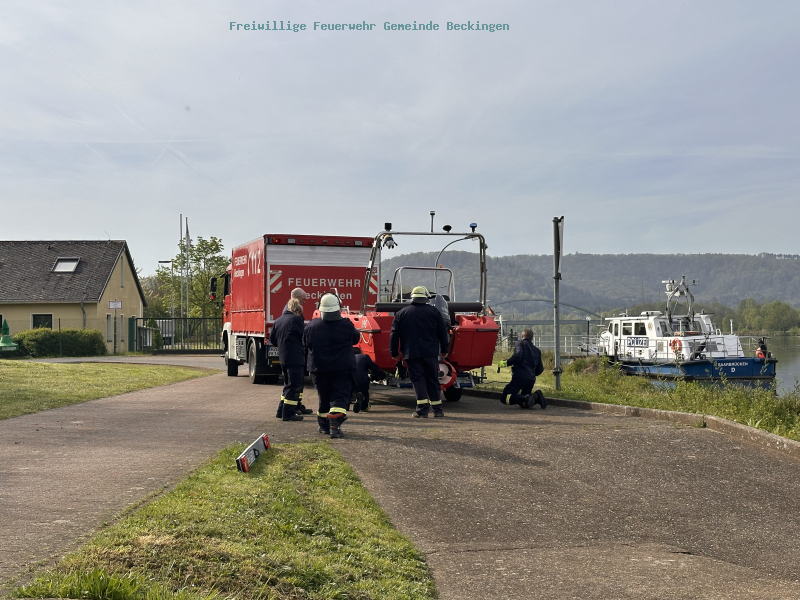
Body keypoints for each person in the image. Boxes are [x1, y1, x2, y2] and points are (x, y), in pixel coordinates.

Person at [304, 293, 360, 438]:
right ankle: (335, 424)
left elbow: (305, 343)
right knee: (340, 396)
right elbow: (356, 339)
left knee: (323, 397)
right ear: (338, 308)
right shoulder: (346, 325)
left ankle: (324, 426)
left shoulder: (312, 326)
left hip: (318, 369)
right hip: (342, 368)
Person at [390, 286, 449, 418]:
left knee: (418, 380)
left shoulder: (402, 313)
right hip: (430, 353)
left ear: (412, 297)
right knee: (433, 379)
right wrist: (444, 350)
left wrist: (394, 352)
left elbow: (394, 334)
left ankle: (422, 410)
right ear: (426, 298)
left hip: (411, 353)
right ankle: (437, 410)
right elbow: (442, 332)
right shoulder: (434, 312)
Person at [269, 298, 311, 421]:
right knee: (294, 385)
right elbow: (305, 337)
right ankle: (288, 413)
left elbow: (273, 339)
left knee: (287, 384)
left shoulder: (278, 320)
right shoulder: (296, 320)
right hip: (295, 357)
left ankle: (280, 410)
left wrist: (283, 346)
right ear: (297, 311)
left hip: (283, 357)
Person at [498, 329, 545, 409]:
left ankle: (525, 397)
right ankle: (536, 397)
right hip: (531, 379)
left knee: (505, 397)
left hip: (519, 377)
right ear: (532, 338)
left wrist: (505, 363)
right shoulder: (537, 350)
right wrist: (532, 373)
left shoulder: (520, 343)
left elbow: (518, 356)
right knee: (524, 404)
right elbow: (540, 369)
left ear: (522, 336)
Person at [352, 347, 386, 412]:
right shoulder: (364, 357)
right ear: (360, 352)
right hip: (361, 381)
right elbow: (375, 369)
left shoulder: (345, 358)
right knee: (364, 401)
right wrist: (382, 376)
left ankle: (347, 405)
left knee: (346, 395)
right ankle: (363, 404)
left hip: (347, 383)